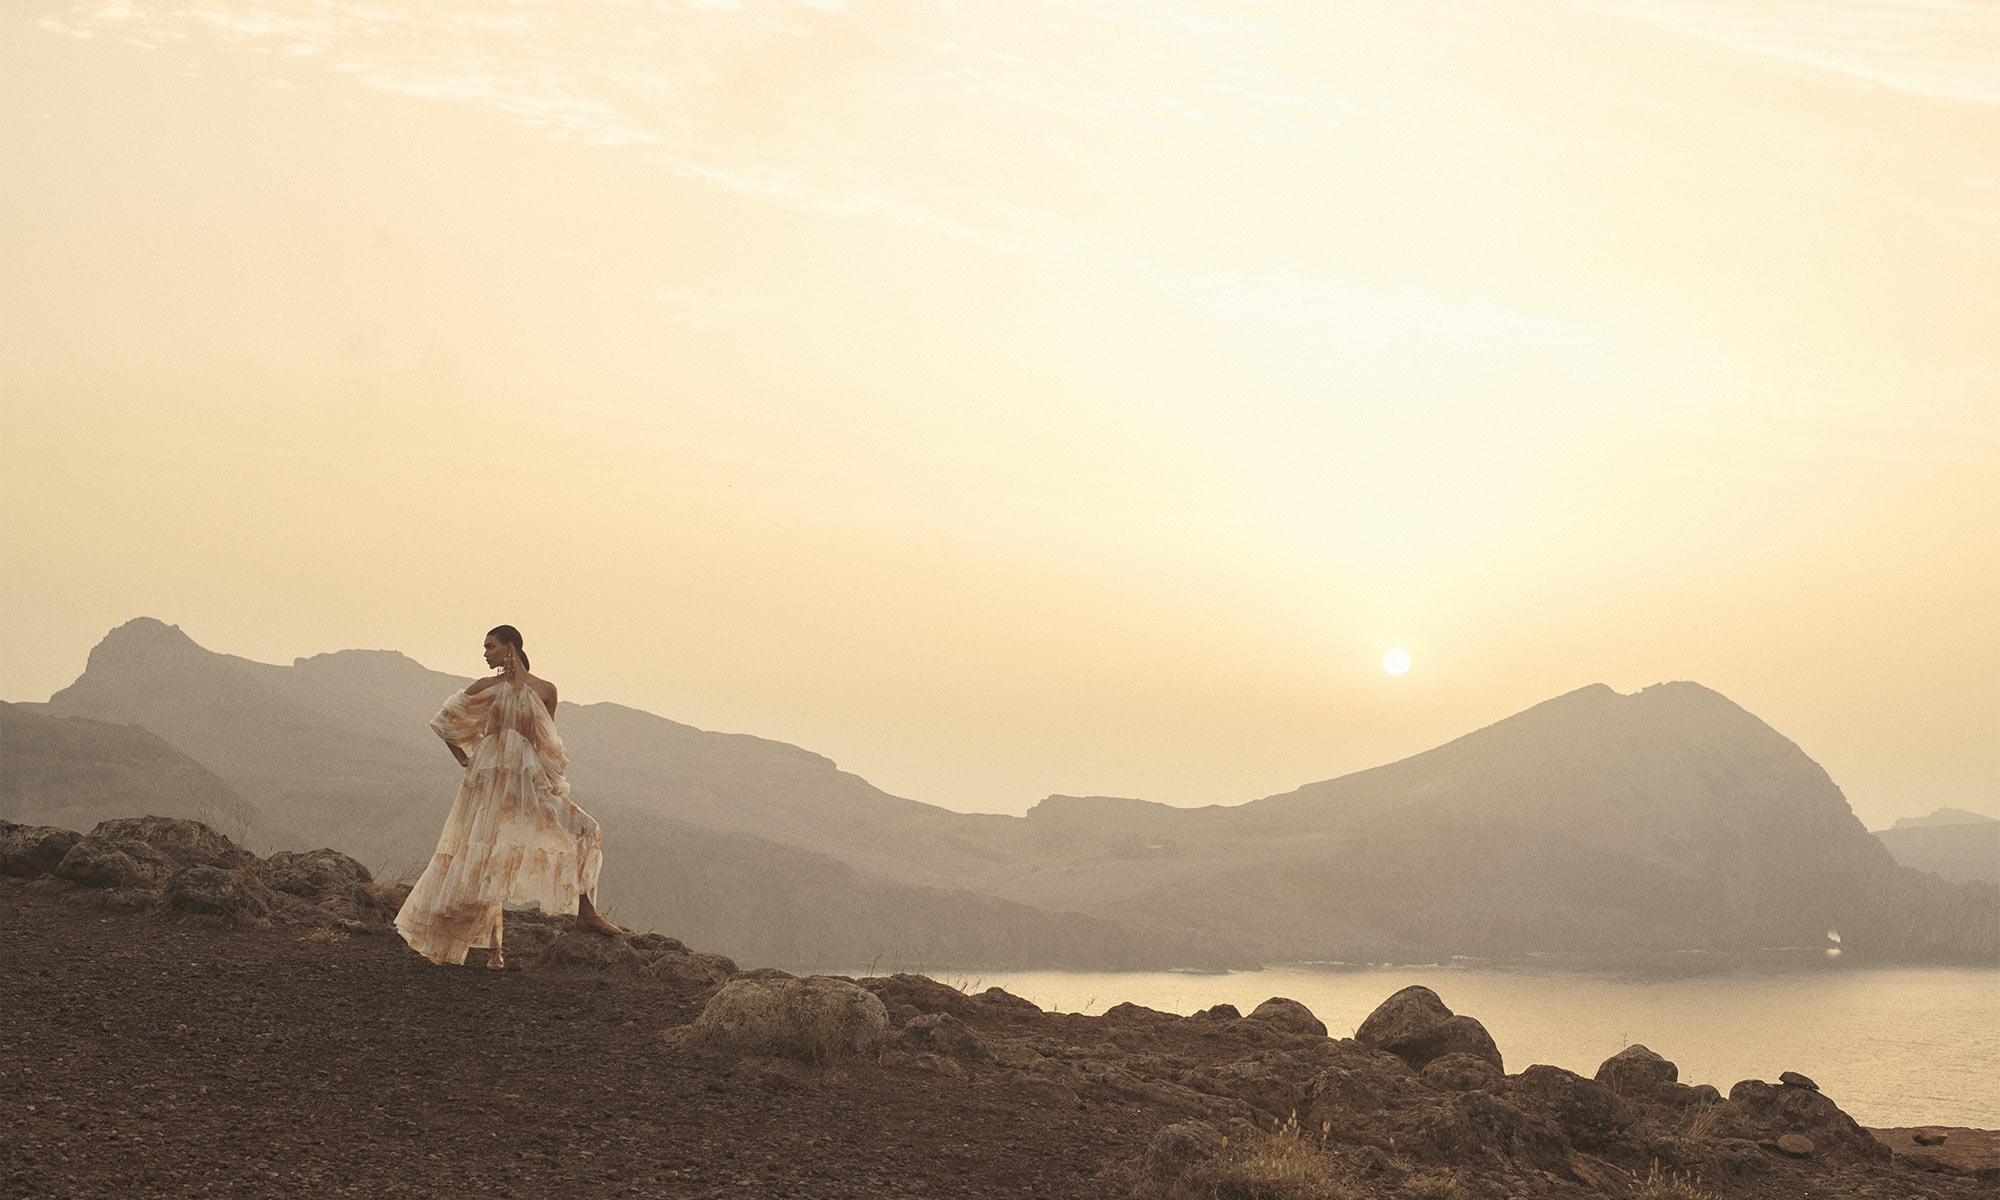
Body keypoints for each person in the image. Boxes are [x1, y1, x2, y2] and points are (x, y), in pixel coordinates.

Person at [395, 624, 622, 969]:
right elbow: (445, 723)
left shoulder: (545, 690)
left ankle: (585, 913)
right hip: (488, 781)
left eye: (490, 646)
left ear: (510, 647)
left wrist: (552, 786)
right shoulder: (486, 688)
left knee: (583, 829)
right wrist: (466, 760)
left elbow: (548, 743)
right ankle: (495, 950)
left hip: (528, 779)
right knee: (485, 851)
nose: (485, 653)